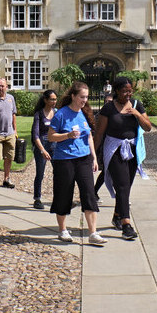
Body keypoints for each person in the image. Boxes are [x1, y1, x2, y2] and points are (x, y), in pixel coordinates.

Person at [92, 76, 152, 240]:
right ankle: (127, 224)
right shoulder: (108, 109)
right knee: (122, 185)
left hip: (132, 150)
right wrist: (93, 156)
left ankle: (117, 214)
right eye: (124, 90)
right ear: (116, 91)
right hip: (114, 149)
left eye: (130, 90)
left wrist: (136, 114)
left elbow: (148, 127)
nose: (128, 93)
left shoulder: (136, 105)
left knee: (126, 185)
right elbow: (99, 134)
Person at [47, 81, 106, 245]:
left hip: (84, 159)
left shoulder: (85, 113)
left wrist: (94, 158)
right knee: (63, 194)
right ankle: (63, 229)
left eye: (86, 97)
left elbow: (88, 137)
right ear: (73, 96)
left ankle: (93, 233)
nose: (84, 100)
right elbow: (51, 136)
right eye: (81, 97)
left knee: (89, 194)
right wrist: (67, 135)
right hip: (64, 160)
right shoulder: (61, 114)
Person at [30, 89, 58, 209]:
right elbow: (35, 135)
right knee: (40, 173)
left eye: (55, 99)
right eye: (52, 99)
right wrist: (42, 150)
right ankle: (37, 198)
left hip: (55, 145)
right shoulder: (39, 114)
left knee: (58, 173)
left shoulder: (57, 113)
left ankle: (58, 199)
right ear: (45, 100)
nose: (54, 101)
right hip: (42, 145)